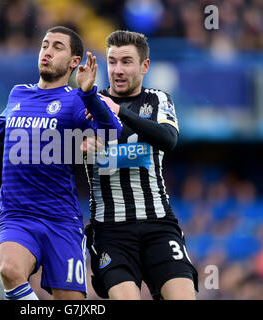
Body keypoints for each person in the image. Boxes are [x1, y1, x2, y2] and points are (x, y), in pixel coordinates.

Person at [0, 26, 122, 300]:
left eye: (57, 47)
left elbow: (112, 130)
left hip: (60, 220)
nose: (47, 52)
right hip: (17, 215)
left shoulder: (77, 100)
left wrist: (88, 94)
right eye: (44, 45)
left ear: (75, 61)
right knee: (8, 266)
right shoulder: (19, 93)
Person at [82, 30, 198, 300]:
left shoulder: (157, 100)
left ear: (144, 66)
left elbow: (168, 139)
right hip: (110, 231)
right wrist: (76, 148)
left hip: (158, 223)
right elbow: (55, 153)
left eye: (126, 62)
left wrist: (119, 111)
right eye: (112, 62)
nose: (117, 70)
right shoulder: (88, 106)